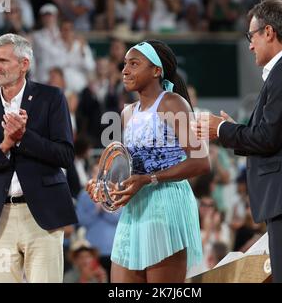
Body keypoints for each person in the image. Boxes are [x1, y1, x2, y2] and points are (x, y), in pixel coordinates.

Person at [193, 0, 282, 282]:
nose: (249, 45)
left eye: (251, 36)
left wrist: (221, 129)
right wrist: (230, 131)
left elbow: (267, 138)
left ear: (268, 32)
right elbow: (271, 136)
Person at [87, 39, 210, 282]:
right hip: (136, 207)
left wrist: (150, 179)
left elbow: (201, 162)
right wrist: (108, 187)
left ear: (156, 71)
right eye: (124, 64)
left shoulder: (172, 103)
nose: (125, 70)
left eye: (134, 63)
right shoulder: (127, 112)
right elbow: (131, 169)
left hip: (167, 204)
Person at [0, 33, 78, 283]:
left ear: (24, 64)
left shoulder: (52, 98)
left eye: (3, 60)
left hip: (43, 216)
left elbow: (65, 156)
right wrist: (5, 145)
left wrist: (24, 136)